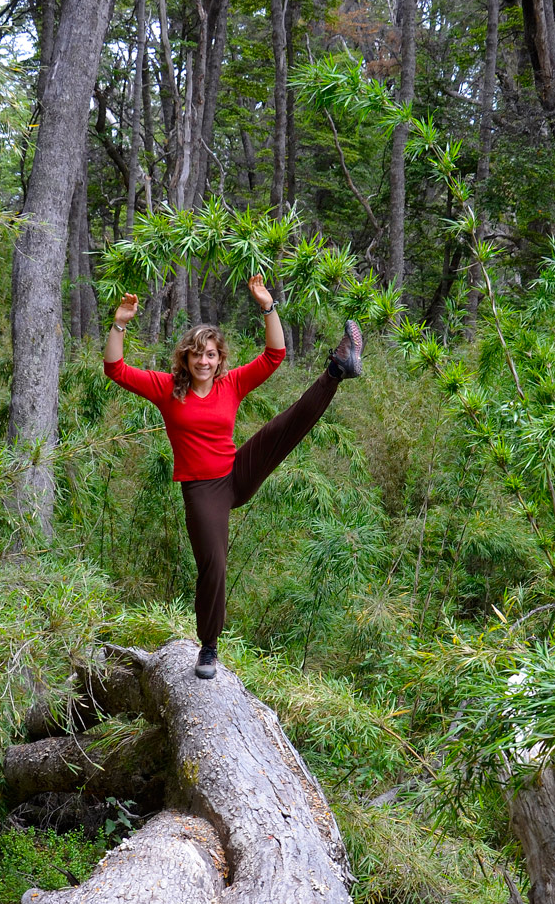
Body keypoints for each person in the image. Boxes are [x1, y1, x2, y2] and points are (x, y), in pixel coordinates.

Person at [103, 275, 363, 679]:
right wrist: (120, 323)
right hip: (202, 491)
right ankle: (208, 647)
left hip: (235, 473)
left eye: (210, 355)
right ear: (185, 359)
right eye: (196, 355)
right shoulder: (167, 389)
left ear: (219, 358)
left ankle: (337, 367)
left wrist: (267, 306)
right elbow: (115, 369)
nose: (203, 362)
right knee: (214, 565)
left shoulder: (231, 384)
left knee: (282, 427)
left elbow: (274, 355)